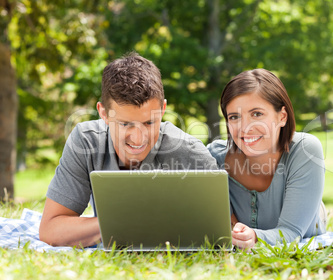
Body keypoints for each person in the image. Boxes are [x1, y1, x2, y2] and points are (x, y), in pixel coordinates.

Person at [39, 52, 217, 247]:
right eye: (125, 124)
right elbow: (50, 230)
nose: (138, 138)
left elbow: (220, 232)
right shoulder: (86, 142)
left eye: (149, 122)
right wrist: (126, 223)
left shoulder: (189, 151)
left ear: (163, 109)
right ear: (103, 113)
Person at [207, 69, 327, 249]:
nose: (245, 128)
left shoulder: (305, 149)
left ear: (282, 116)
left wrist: (254, 237)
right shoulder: (214, 158)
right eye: (234, 117)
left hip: (305, 226)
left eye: (257, 114)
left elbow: (291, 233)